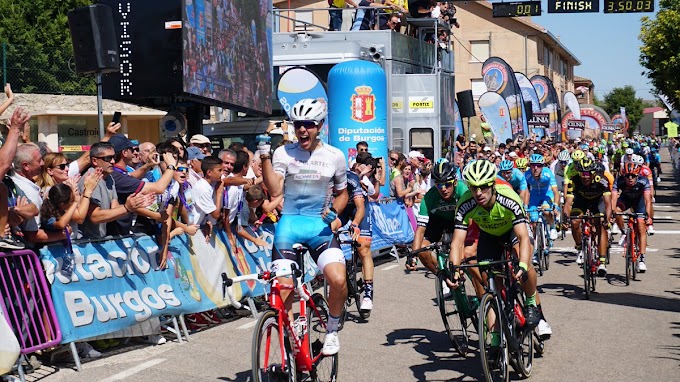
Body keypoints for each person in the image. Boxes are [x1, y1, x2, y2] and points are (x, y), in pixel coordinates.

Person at [261, 98, 348, 355]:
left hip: (318, 228)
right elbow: (275, 189)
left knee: (338, 279)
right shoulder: (283, 153)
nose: (302, 130)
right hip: (288, 227)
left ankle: (331, 329)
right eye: (298, 124)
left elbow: (342, 194)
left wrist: (335, 210)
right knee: (284, 289)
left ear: (319, 126)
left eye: (308, 125)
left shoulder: (335, 156)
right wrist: (265, 155)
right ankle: (289, 347)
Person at [450, 160, 552, 338]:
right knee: (489, 279)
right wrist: (455, 269)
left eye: (483, 187)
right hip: (490, 234)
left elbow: (522, 237)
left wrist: (522, 265)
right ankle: (498, 330)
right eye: (474, 188)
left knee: (523, 262)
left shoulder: (508, 198)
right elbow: (457, 242)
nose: (479, 193)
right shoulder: (466, 203)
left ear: (492, 185)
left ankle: (530, 302)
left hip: (513, 230)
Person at [77, 142, 153, 240]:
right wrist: (127, 208)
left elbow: (115, 208)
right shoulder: (91, 179)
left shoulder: (109, 178)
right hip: (85, 243)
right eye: (108, 158)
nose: (112, 161)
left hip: (100, 240)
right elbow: (95, 217)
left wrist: (136, 203)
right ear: (95, 161)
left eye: (114, 157)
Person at [563, 159, 612, 276]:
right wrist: (565, 219)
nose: (585, 177)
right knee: (574, 222)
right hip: (581, 202)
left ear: (593, 172)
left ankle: (602, 261)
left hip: (597, 203)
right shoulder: (574, 180)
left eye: (588, 173)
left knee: (600, 224)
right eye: (582, 173)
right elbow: (568, 203)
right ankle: (580, 247)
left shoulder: (602, 180)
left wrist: (608, 218)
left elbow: (607, 203)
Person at [338, 158, 374, 313]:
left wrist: (355, 225)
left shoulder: (351, 179)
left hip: (358, 208)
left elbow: (360, 208)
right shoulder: (324, 182)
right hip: (340, 209)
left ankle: (368, 293)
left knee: (363, 248)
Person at [611, 163, 652, 272]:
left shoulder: (643, 181)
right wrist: (611, 212)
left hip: (639, 202)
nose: (630, 178)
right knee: (616, 211)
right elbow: (614, 198)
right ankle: (624, 233)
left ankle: (642, 259)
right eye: (627, 176)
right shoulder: (618, 181)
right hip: (626, 200)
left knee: (640, 224)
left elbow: (648, 199)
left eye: (633, 176)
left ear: (637, 176)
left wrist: (648, 214)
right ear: (623, 176)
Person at [524, 154, 560, 248]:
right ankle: (536, 248)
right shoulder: (527, 175)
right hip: (534, 196)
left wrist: (556, 205)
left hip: (547, 195)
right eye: (533, 165)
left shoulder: (547, 173)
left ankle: (552, 227)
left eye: (539, 166)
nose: (536, 168)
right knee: (534, 221)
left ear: (542, 166)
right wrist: (524, 206)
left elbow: (556, 192)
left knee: (546, 211)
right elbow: (524, 192)